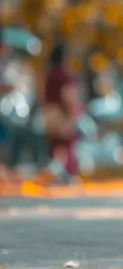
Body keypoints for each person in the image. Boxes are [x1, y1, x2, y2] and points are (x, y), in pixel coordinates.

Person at [43, 42, 81, 180]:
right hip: (62, 115)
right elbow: (68, 96)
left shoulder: (49, 75)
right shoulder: (65, 75)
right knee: (66, 144)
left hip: (49, 114)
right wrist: (74, 112)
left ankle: (54, 174)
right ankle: (64, 174)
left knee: (54, 146)